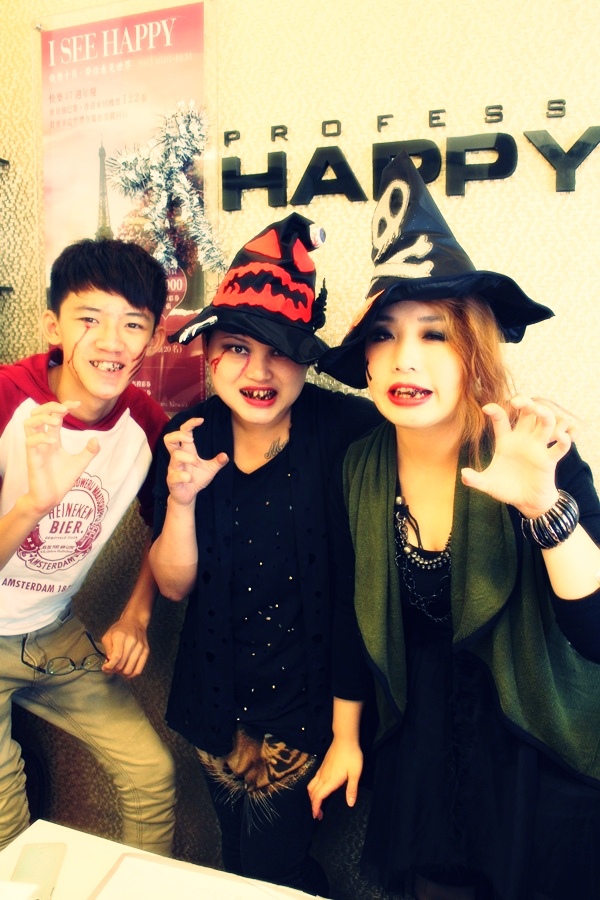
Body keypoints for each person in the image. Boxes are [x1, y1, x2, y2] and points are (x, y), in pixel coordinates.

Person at [308, 152, 600, 900]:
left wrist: (543, 508)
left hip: (534, 741)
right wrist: (345, 738)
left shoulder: (534, 449)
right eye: (384, 335)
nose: (404, 359)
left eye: (434, 334)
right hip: (422, 737)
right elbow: (348, 614)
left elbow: (596, 632)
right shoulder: (359, 466)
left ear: (474, 351)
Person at [149, 213, 381, 896]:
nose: (259, 371)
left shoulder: (350, 431)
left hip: (310, 715)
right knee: (241, 862)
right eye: (236, 347)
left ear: (306, 358)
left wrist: (346, 733)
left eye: (280, 349)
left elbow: (358, 595)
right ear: (208, 353)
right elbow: (173, 586)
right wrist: (183, 500)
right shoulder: (187, 436)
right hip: (213, 707)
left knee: (274, 870)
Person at [0, 238, 176, 854]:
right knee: (6, 818)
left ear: (153, 338)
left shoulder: (147, 423)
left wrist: (136, 615)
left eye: (132, 323)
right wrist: (32, 505)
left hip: (53, 632)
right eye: (89, 319)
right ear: (53, 326)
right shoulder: (7, 399)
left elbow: (165, 528)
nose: (111, 341)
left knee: (152, 775)